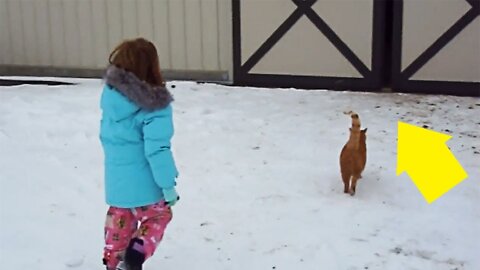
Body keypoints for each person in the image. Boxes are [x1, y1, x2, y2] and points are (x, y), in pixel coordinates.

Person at [99, 38, 179, 270]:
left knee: (119, 223)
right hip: (147, 187)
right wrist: (168, 186)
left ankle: (113, 262)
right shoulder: (155, 106)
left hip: (116, 186)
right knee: (159, 216)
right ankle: (136, 253)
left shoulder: (110, 100)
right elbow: (157, 150)